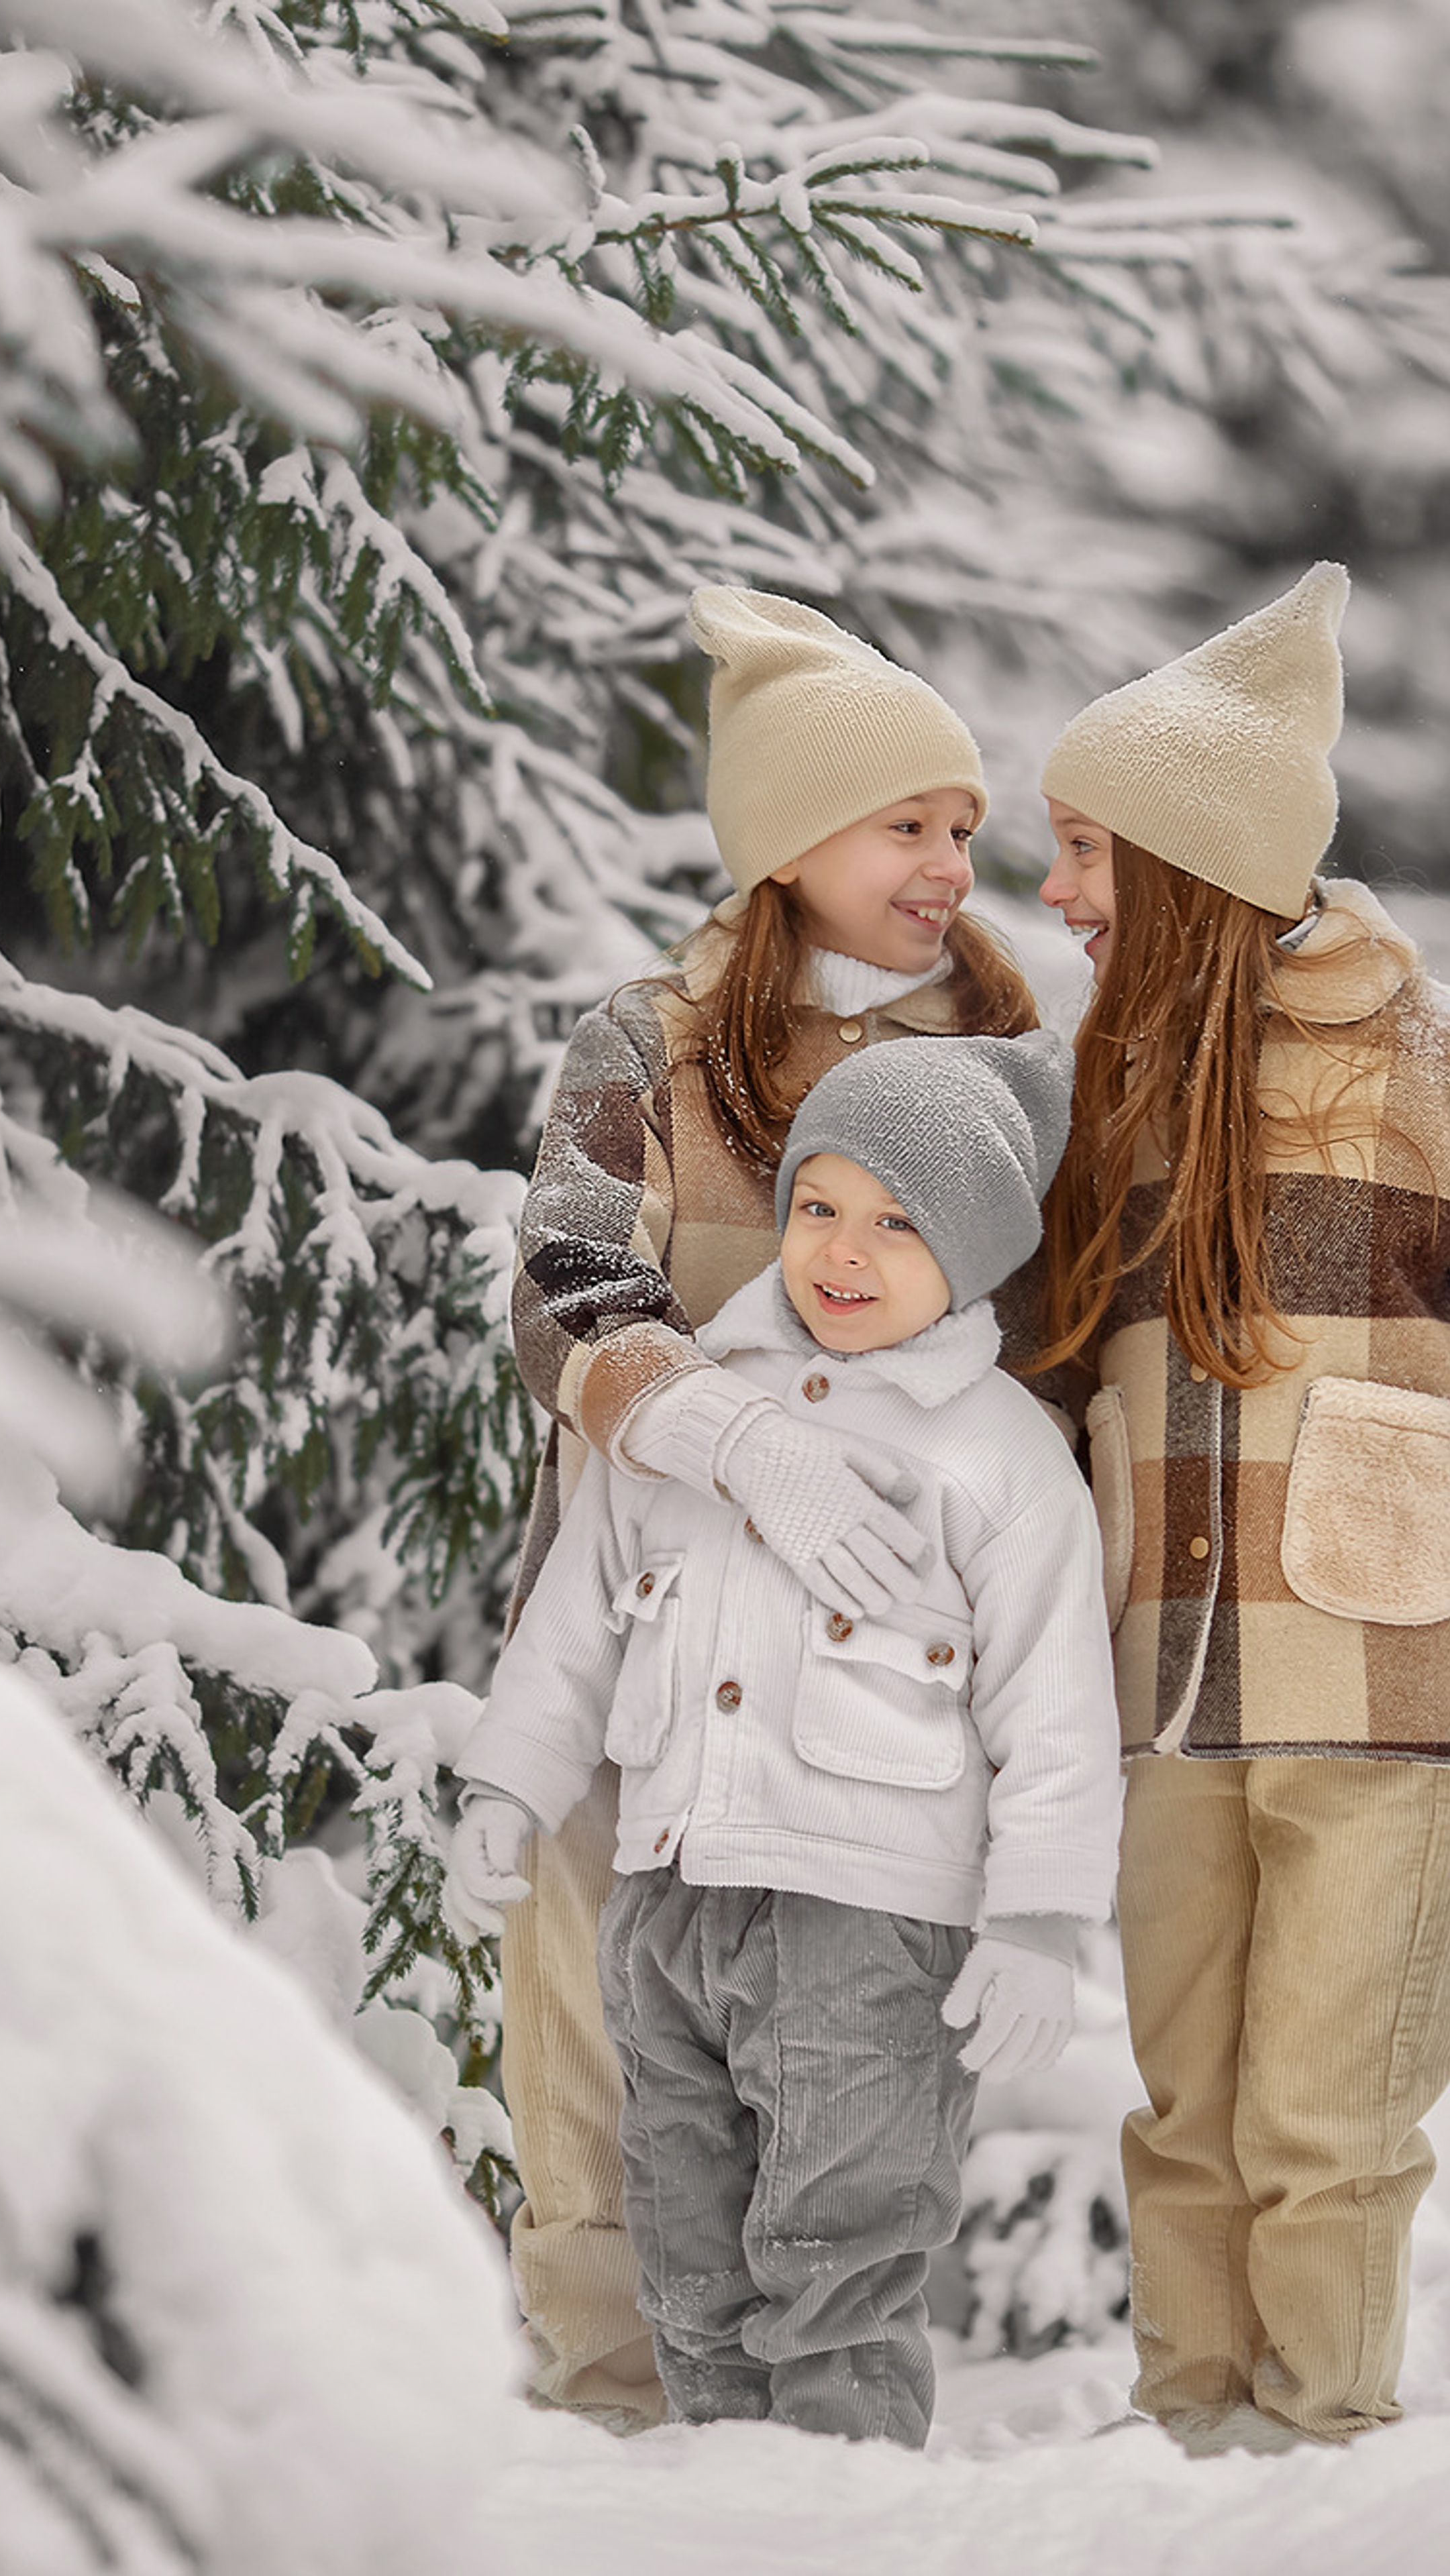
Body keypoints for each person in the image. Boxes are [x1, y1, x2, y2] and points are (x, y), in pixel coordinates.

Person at [488, 584, 1039, 2427]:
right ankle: (610, 2442)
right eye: (910, 823)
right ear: (791, 837)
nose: (955, 862)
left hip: (877, 1709)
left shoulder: (1002, 1059)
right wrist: (737, 1440)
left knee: (832, 2112)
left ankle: (816, 2476)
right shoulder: (645, 1044)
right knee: (597, 2076)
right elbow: (564, 1288)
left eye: (967, 827)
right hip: (639, 1651)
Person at [449, 1032, 1121, 2443]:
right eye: (818, 1204)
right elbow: (572, 1624)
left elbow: (1053, 1707)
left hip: (867, 1932)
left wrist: (1041, 1919)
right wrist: (508, 1787)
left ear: (975, 1256)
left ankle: (841, 2511)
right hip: (669, 1905)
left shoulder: (995, 1459)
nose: (843, 1251)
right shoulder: (701, 1413)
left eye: (897, 1224)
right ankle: (724, 2508)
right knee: (685, 2251)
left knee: (840, 2253)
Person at [1031, 559, 1450, 2457]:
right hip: (1165, 1684)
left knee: (1324, 2111)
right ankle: (1187, 2436)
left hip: (1372, 1683)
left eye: (1087, 853)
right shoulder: (1105, 1091)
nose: (1055, 894)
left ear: (1193, 867)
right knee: (1181, 2095)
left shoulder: (1415, 1070)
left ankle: (1324, 2446)